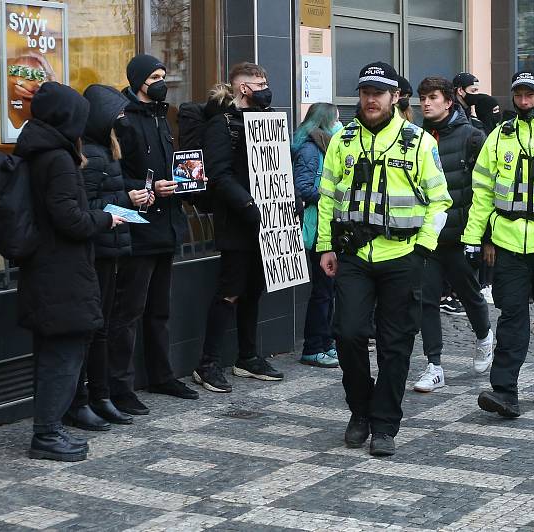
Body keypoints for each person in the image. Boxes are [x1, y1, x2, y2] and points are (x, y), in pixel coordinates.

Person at [317, 61, 452, 456]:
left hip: (403, 255)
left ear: (395, 98)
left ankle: (385, 424)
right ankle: (359, 411)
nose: (370, 99)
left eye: (378, 92)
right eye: (364, 92)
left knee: (396, 344)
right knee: (347, 333)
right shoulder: (343, 140)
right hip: (354, 254)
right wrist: (326, 245)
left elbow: (439, 201)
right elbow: (328, 197)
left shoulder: (419, 141)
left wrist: (424, 246)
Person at [14, 82, 125, 461]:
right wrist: (105, 217)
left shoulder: (38, 149)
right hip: (61, 270)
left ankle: (49, 428)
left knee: (53, 354)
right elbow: (70, 220)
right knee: (62, 356)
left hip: (47, 269)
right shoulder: (57, 158)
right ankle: (46, 433)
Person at [462, 69, 534, 418]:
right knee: (511, 316)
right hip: (509, 243)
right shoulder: (499, 136)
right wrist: (472, 238)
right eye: (519, 95)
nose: (524, 101)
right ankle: (504, 391)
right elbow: (481, 193)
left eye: (530, 94)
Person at [108, 54, 200, 416]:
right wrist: (149, 187)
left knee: (160, 309)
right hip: (138, 228)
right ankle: (121, 385)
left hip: (167, 225)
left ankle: (162, 374)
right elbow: (114, 176)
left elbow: (168, 163)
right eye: (154, 77)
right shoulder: (123, 119)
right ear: (137, 81)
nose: (161, 81)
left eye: (163, 75)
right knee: (128, 310)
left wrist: (185, 181)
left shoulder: (163, 115)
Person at [63, 84, 153, 431]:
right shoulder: (91, 153)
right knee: (96, 327)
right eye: (117, 114)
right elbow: (83, 207)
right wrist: (125, 201)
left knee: (101, 327)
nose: (122, 120)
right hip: (99, 248)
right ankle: (90, 397)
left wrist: (128, 200)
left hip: (111, 244)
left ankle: (100, 396)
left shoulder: (106, 149)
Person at [192, 62, 285, 394]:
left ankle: (247, 356)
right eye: (260, 83)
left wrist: (290, 200)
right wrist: (247, 205)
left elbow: (279, 167)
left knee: (254, 290)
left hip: (269, 221)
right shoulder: (222, 124)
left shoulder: (270, 120)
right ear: (244, 88)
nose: (265, 88)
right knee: (229, 291)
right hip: (238, 222)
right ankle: (207, 363)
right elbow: (218, 175)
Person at [412, 76, 493, 393]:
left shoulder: (472, 137)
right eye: (422, 98)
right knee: (426, 300)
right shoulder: (416, 138)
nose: (426, 104)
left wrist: (484, 237)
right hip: (427, 237)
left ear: (448, 101)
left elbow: (484, 190)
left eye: (432, 97)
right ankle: (434, 366)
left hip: (461, 235)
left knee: (470, 294)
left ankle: (485, 334)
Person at [292, 102, 342, 368]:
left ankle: (325, 341)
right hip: (315, 226)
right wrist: (333, 197)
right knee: (323, 291)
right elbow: (303, 187)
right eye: (336, 119)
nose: (339, 123)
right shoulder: (312, 148)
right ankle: (314, 346)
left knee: (328, 290)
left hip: (324, 225)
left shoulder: (324, 145)